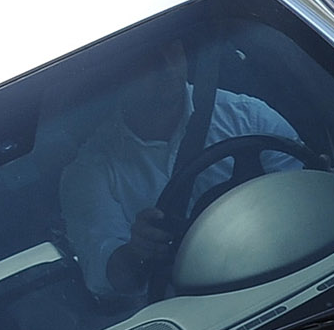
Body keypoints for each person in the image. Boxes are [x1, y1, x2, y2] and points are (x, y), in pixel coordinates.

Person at [60, 40, 298, 300]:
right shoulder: (89, 173)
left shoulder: (249, 118)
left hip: (288, 277)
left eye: (171, 47)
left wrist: (321, 185)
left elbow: (305, 201)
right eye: (147, 56)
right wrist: (137, 252)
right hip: (193, 317)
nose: (166, 65)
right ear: (117, 72)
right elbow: (108, 274)